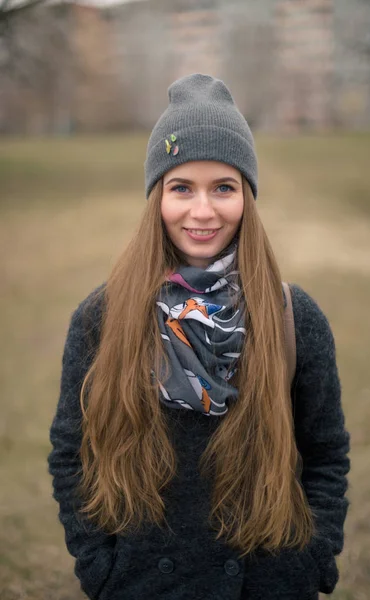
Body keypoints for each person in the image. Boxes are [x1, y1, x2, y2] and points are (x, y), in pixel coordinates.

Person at [48, 73, 350, 600]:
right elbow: (73, 453)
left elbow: (325, 453)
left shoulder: (292, 317)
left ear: (247, 197)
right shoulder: (103, 316)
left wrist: (313, 559)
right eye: (181, 187)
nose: (203, 211)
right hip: (144, 585)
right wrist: (100, 568)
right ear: (156, 198)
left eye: (224, 188)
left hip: (267, 581)